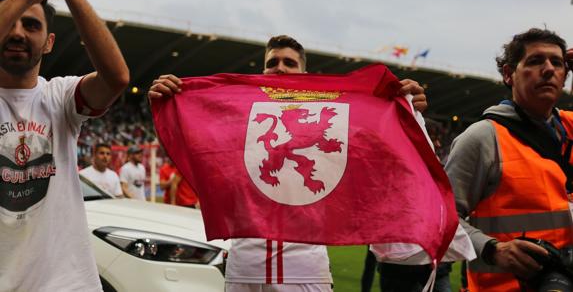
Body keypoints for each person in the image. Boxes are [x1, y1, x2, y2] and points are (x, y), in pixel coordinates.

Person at [149, 35, 427, 292]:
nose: (279, 68)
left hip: (305, 270)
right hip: (245, 268)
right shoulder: (235, 117)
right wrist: (168, 103)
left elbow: (382, 149)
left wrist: (405, 112)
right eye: (272, 63)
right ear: (262, 72)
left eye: (289, 63)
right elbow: (193, 146)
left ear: (304, 74)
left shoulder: (342, 114)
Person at [0, 0, 129, 290]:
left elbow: (117, 78)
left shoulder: (60, 97)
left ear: (49, 43)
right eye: (11, 20)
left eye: (31, 25)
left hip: (66, 283)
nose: (18, 33)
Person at [446, 28, 573, 291]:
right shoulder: (482, 138)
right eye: (535, 61)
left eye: (557, 63)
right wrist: (493, 250)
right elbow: (440, 218)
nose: (548, 69)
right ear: (508, 74)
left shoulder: (570, 128)